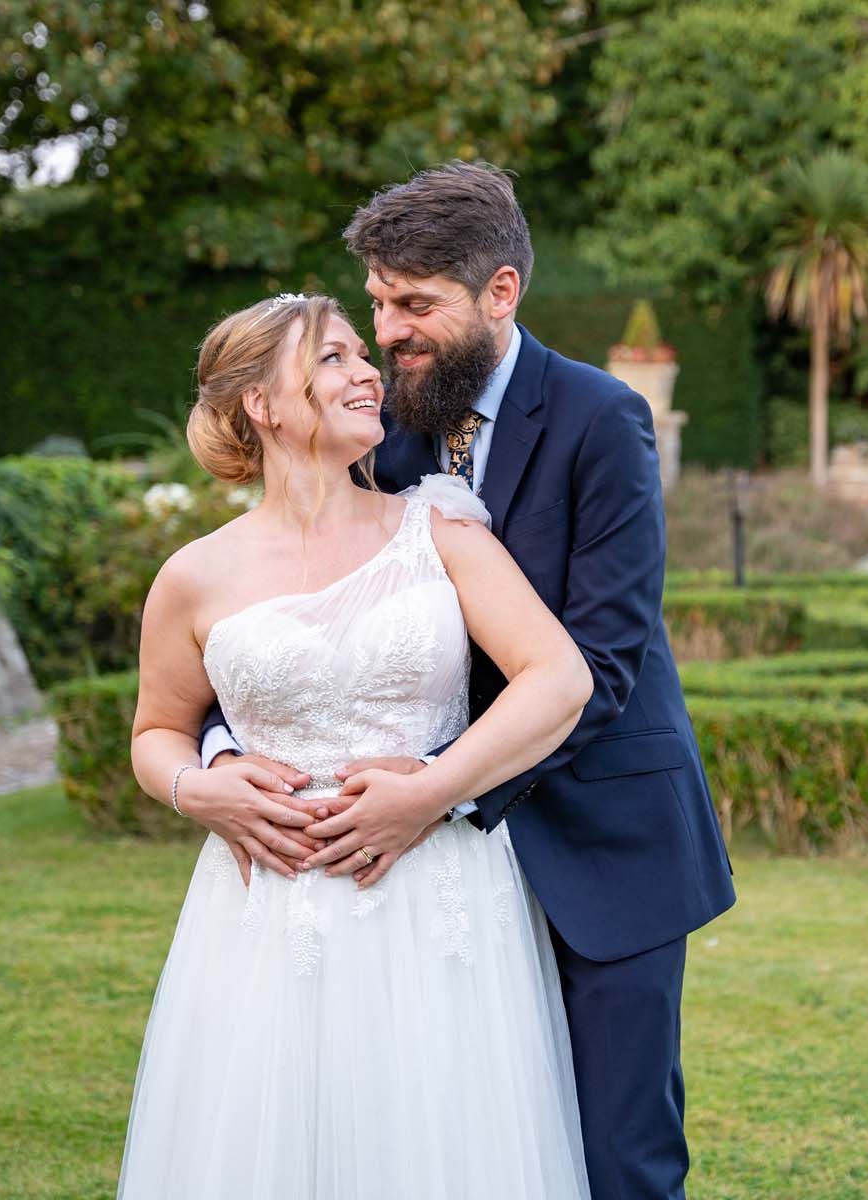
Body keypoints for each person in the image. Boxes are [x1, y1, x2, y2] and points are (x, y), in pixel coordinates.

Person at [196, 162, 736, 1199]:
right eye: (377, 304)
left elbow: (606, 666)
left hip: (600, 841)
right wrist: (223, 754)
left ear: (500, 293)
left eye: (414, 305)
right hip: (421, 884)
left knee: (618, 1157)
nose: (387, 333)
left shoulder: (599, 419)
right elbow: (297, 614)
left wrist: (436, 791)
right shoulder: (379, 427)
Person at [121, 291, 595, 1198]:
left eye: (359, 355)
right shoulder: (193, 576)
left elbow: (559, 679)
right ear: (261, 402)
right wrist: (197, 790)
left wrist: (431, 789)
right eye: (333, 358)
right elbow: (156, 733)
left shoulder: (439, 531)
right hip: (267, 916)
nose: (367, 370)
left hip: (439, 902)